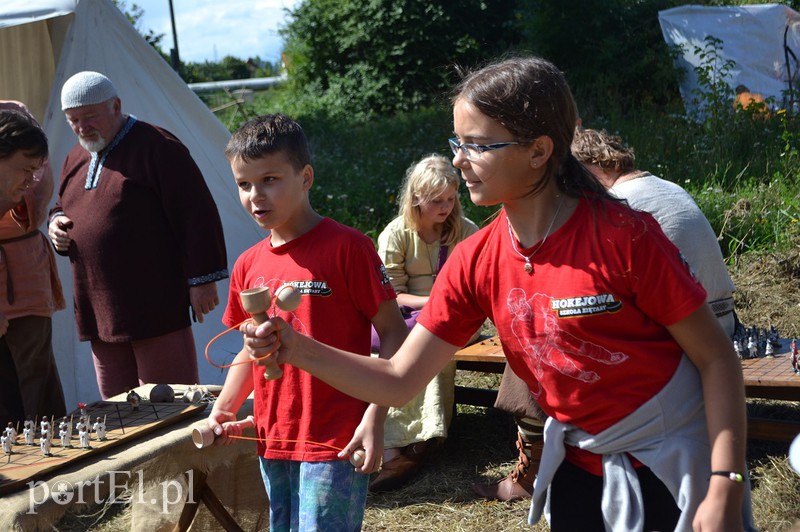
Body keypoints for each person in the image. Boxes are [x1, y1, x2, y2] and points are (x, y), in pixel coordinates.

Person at [242, 57, 755, 531]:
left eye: (478, 145)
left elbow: (717, 361)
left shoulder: (626, 238)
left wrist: (725, 483)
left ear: (539, 150)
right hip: (577, 465)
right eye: (456, 143)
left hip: (673, 463)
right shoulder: (476, 257)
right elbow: (399, 380)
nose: (460, 161)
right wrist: (295, 347)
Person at [475, 126, 743, 501]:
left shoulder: (617, 208)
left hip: (685, 337)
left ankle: (531, 468)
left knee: (537, 343)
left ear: (587, 168)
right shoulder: (665, 186)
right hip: (721, 317)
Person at [205, 114, 408, 531]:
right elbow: (250, 346)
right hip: (272, 436)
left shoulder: (349, 248)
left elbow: (394, 332)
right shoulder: (248, 264)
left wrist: (375, 415)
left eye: (270, 179)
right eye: (244, 184)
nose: (255, 196)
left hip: (336, 436)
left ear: (306, 177)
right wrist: (222, 410)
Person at [47, 71, 229, 399]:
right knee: (119, 410)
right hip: (99, 308)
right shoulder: (75, 157)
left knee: (170, 402)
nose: (81, 127)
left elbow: (195, 213)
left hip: (153, 304)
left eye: (89, 117)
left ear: (116, 106)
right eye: (73, 120)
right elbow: (63, 204)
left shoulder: (158, 147)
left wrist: (202, 279)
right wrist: (56, 221)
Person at [369, 154, 479, 491]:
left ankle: (417, 443)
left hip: (457, 319)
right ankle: (402, 444)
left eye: (450, 198)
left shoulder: (466, 231)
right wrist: (433, 302)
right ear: (417, 198)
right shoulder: (396, 234)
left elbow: (476, 289)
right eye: (436, 201)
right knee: (405, 348)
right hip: (411, 319)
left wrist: (444, 307)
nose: (445, 207)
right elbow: (392, 297)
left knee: (427, 345)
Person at [0, 104, 66, 424]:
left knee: (38, 398)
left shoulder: (16, 114)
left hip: (26, 290)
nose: (31, 180)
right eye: (25, 169)